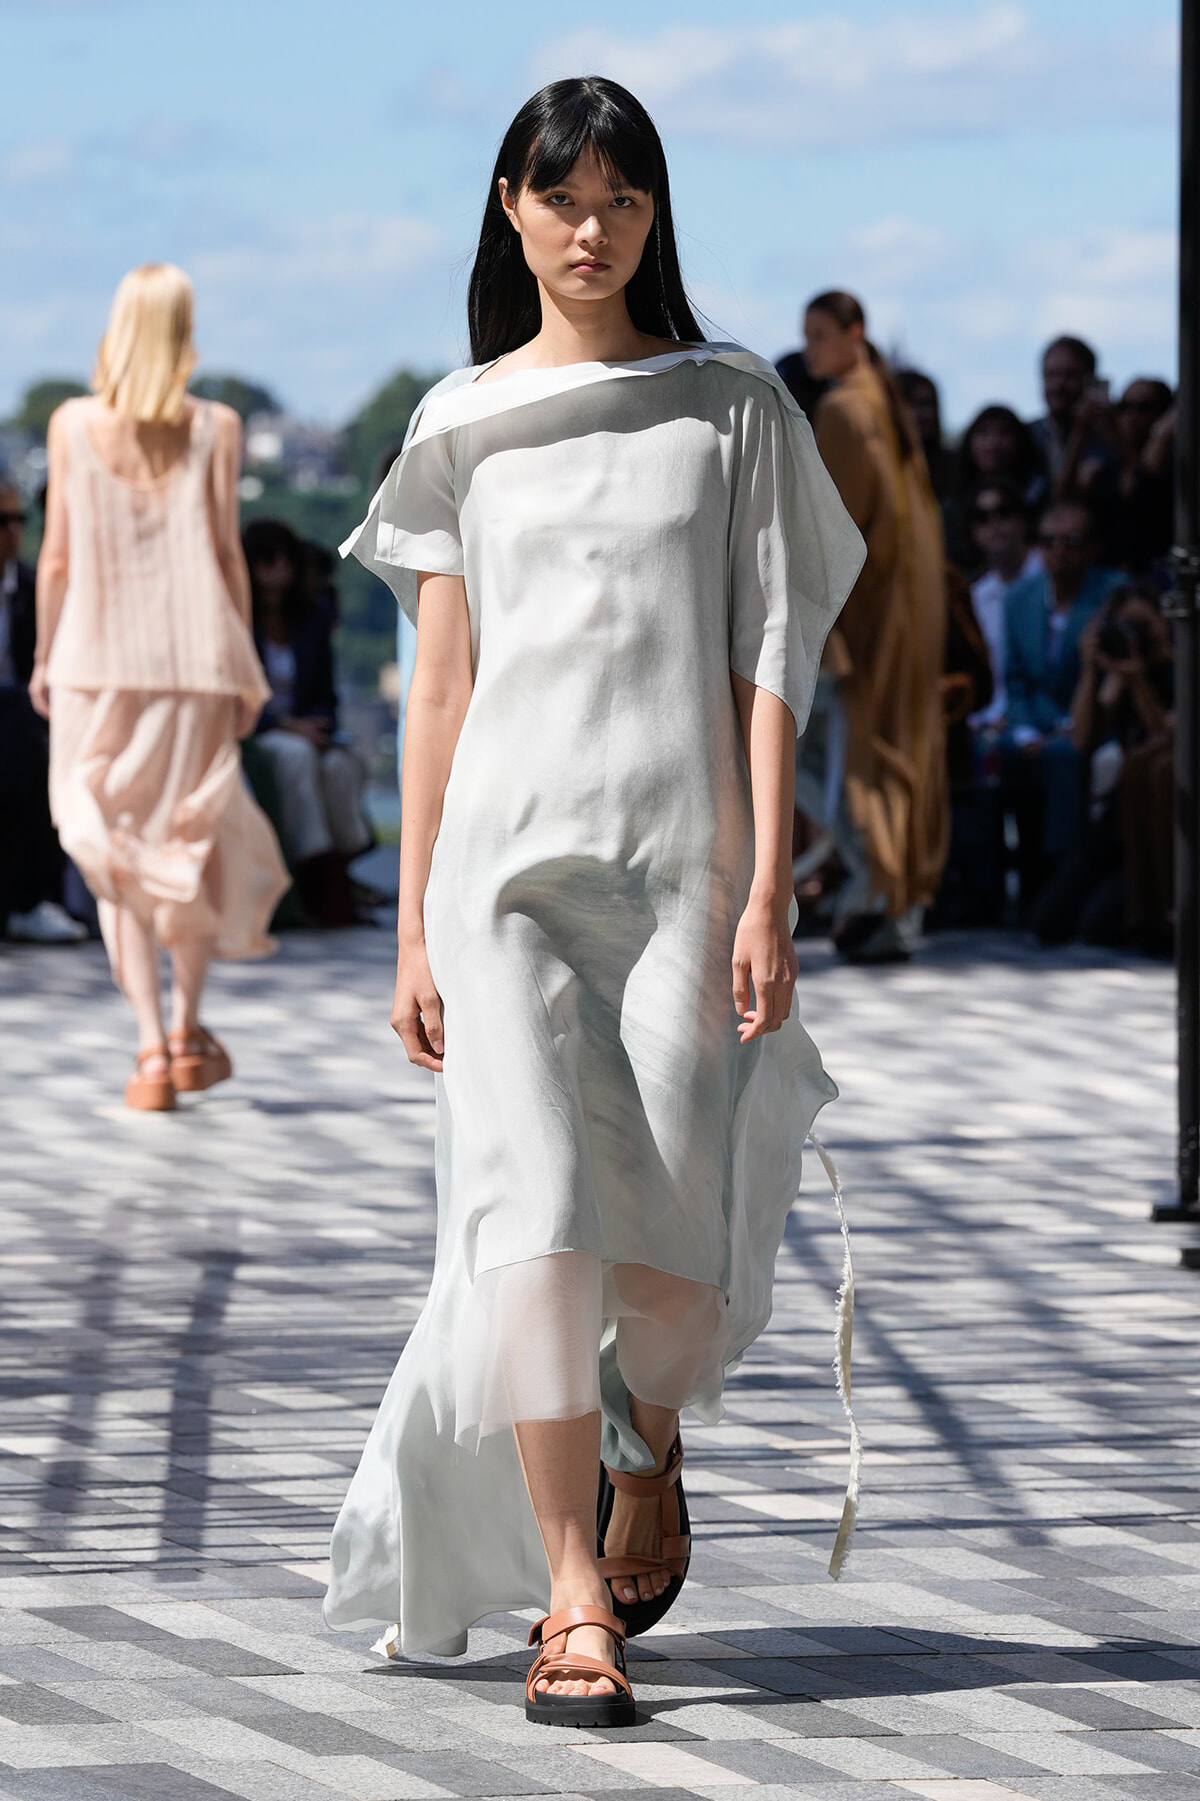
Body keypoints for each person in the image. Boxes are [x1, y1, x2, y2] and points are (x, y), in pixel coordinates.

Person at [324, 77, 865, 1727]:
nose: (591, 227)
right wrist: (412, 917)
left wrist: (773, 880)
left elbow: (774, 655)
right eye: (564, 197)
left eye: (623, 201)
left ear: (654, 219)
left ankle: (649, 1422)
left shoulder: (731, 408)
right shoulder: (458, 424)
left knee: (676, 1284)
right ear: (509, 206)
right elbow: (437, 693)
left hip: (684, 862)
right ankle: (574, 1598)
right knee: (535, 1216)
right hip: (502, 873)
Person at [31, 263, 289, 1109]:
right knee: (187, 843)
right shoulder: (218, 426)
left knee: (115, 850)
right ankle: (187, 1031)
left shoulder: (69, 425)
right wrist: (245, 662)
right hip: (196, 665)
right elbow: (225, 558)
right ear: (183, 329)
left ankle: (148, 1051)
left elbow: (58, 556)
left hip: (92, 663)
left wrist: (42, 656)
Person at [802, 289, 948, 962]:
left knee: (840, 756)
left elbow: (831, 527)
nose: (811, 349)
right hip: (906, 611)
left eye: (821, 335)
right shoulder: (885, 406)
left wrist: (818, 621)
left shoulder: (844, 409)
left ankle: (877, 889)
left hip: (862, 616)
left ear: (854, 334)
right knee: (894, 752)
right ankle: (892, 898)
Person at [243, 517, 373, 928]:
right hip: (260, 731)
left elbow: (326, 696)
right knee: (297, 757)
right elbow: (236, 697)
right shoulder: (237, 620)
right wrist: (286, 724)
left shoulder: (311, 621)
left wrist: (321, 728)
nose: (277, 570)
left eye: (284, 560)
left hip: (307, 732)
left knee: (341, 766)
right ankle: (318, 868)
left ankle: (338, 861)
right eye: (267, 560)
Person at [1032, 583, 1173, 946]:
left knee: (1102, 924)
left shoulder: (1178, 670)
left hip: (1159, 825)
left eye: (1144, 625)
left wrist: (1139, 682)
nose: (1136, 635)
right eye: (1126, 626)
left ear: (1163, 622)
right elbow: (1081, 739)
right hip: (1119, 822)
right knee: (1048, 920)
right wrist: (1091, 671)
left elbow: (1170, 736)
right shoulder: (1117, 675)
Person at [1001, 497, 1124, 907]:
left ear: (1090, 548)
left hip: (1094, 721)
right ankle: (982, 887)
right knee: (989, 755)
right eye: (1049, 540)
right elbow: (1016, 681)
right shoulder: (1019, 598)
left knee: (1064, 757)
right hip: (1033, 722)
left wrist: (1057, 732)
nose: (1059, 549)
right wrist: (1024, 731)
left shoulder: (1111, 593)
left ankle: (1059, 881)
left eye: (1071, 540)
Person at [0, 478, 86, 943]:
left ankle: (32, 900)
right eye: (2, 521)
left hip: (27, 722)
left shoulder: (34, 589)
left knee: (31, 741)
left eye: (18, 520)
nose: (12, 532)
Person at [1059, 378, 1175, 574]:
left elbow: (1141, 485)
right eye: (1124, 406)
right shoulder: (1103, 472)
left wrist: (1158, 437)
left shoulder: (1172, 471)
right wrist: (1080, 431)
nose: (1131, 415)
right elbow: (1063, 505)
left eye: (1143, 407)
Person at [967, 480, 1044, 730]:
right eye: (982, 517)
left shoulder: (1053, 577)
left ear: (1023, 520)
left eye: (1004, 512)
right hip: (988, 725)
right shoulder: (975, 596)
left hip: (1044, 723)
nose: (994, 524)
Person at [946, 405, 1041, 569]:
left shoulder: (1038, 493)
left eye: (1004, 433)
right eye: (983, 433)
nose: (993, 443)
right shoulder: (952, 507)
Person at [1030, 335, 1113, 500]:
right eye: (1051, 375)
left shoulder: (1109, 438)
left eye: (1069, 375)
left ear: (1090, 380)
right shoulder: (1027, 437)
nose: (1059, 384)